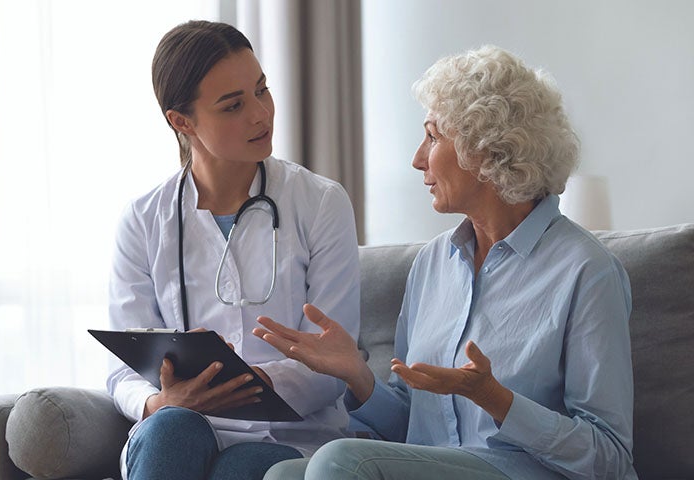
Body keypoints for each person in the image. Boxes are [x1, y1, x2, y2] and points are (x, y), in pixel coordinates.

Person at [256, 45, 637, 479]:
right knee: (282, 474)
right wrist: (356, 374)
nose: (418, 159)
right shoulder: (433, 263)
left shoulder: (587, 270)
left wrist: (497, 399)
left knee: (337, 462)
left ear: (487, 149)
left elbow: (610, 458)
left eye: (433, 137)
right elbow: (414, 434)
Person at [106, 20, 360, 480]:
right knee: (172, 430)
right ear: (181, 122)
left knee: (241, 466)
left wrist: (250, 386)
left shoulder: (320, 202)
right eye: (234, 105)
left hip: (288, 436)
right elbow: (122, 369)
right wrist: (162, 401)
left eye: (262, 90)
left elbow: (332, 364)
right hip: (179, 431)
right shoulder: (144, 220)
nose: (262, 114)